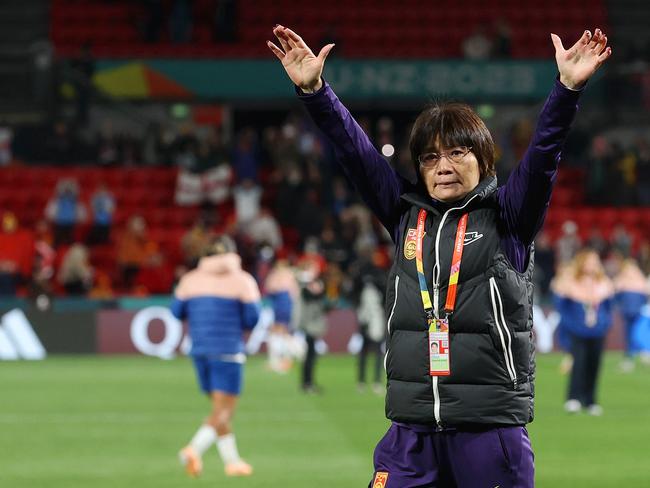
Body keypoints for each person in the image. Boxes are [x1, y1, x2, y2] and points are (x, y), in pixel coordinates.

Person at [268, 24, 611, 487]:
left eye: (457, 152)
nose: (443, 165)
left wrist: (567, 89)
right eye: (430, 158)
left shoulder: (509, 216)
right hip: (410, 433)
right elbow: (357, 155)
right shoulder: (404, 214)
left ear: (483, 159)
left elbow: (544, 155)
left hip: (487, 431)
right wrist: (315, 93)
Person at [171, 235, 261, 478]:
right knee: (225, 411)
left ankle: (232, 462)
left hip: (200, 350)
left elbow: (176, 312)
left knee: (218, 408)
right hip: (228, 350)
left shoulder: (190, 279)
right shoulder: (242, 279)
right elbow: (253, 318)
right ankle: (193, 449)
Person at [552, 249, 614, 415]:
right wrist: (571, 324)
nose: (593, 265)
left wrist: (604, 323)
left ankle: (590, 400)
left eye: (595, 262)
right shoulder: (571, 283)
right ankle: (573, 398)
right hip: (577, 331)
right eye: (589, 262)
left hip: (597, 331)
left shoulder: (603, 284)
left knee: (594, 365)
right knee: (578, 364)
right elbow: (561, 307)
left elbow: (608, 308)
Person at [264, 254, 300, 373]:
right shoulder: (288, 275)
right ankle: (283, 358)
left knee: (281, 331)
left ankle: (287, 357)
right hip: (282, 305)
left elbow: (270, 288)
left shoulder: (282, 275)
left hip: (283, 304)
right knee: (280, 331)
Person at [613, 258, 649, 372]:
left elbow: (646, 293)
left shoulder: (641, 281)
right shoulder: (621, 281)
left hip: (640, 313)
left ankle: (643, 352)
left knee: (637, 334)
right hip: (627, 313)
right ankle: (630, 357)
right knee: (629, 335)